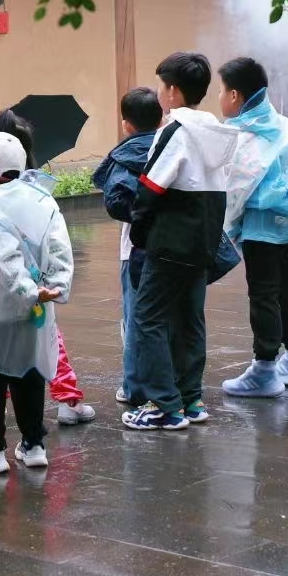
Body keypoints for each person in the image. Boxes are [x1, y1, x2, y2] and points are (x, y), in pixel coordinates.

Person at [0, 108, 95, 425]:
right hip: (36, 285)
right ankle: (64, 403)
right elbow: (55, 241)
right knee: (46, 340)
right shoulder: (35, 191)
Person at [123, 53, 240, 431]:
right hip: (203, 239)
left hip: (170, 240)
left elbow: (151, 187)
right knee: (190, 319)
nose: (159, 92)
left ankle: (164, 406)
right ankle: (191, 399)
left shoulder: (174, 131)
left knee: (148, 318)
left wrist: (140, 232)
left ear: (172, 91)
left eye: (161, 85)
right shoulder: (217, 133)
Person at [0, 133, 73, 474]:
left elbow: (2, 257)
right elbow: (60, 246)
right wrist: (55, 285)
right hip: (38, 306)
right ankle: (34, 445)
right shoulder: (41, 198)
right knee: (29, 370)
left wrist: (25, 289)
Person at [216, 58, 288, 398]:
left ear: (234, 95)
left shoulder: (245, 136)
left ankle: (264, 370)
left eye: (221, 91)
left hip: (261, 233)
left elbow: (236, 189)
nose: (219, 98)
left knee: (263, 297)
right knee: (285, 291)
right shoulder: (284, 129)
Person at [93, 87, 163, 406]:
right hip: (174, 244)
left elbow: (116, 202)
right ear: (160, 119)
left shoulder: (125, 156)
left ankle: (135, 386)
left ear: (126, 125)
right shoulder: (172, 146)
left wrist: (141, 213)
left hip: (134, 248)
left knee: (135, 318)